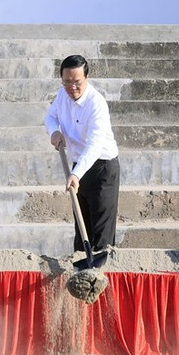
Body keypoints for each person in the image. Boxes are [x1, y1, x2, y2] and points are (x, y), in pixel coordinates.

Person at [45, 55, 120, 253]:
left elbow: (95, 145)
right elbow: (50, 116)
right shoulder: (62, 95)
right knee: (81, 228)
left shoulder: (97, 104)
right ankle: (80, 271)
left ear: (86, 77)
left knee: (101, 233)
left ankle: (101, 272)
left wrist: (76, 174)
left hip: (102, 168)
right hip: (78, 166)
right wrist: (54, 132)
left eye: (77, 82)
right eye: (67, 82)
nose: (72, 88)